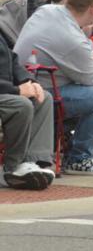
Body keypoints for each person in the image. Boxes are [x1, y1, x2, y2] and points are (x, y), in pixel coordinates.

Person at [13, 0, 93, 176]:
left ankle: (76, 152)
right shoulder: (72, 39)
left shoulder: (46, 11)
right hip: (45, 93)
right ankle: (79, 158)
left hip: (21, 81)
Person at [0, 33, 55, 189]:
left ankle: (34, 161)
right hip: (6, 93)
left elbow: (12, 59)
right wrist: (16, 90)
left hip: (5, 93)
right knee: (21, 104)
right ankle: (13, 167)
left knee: (44, 98)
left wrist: (29, 81)